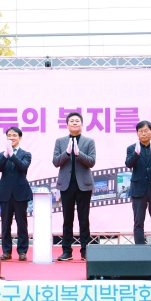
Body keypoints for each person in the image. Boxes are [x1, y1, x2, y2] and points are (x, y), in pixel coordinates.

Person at [52, 111, 96, 261]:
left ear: (82, 124)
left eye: (77, 121)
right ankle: (67, 251)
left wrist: (79, 154)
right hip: (66, 185)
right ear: (67, 125)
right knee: (67, 219)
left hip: (84, 185)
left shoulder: (89, 141)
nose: (75, 123)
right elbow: (55, 162)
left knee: (84, 219)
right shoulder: (60, 141)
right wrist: (67, 153)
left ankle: (85, 251)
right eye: (72, 121)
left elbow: (91, 162)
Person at [125, 120, 151, 252]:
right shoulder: (131, 148)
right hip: (139, 189)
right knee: (139, 221)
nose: (143, 134)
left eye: (146, 131)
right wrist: (136, 154)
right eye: (141, 131)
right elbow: (128, 164)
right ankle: (140, 251)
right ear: (137, 133)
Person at [0, 127, 33, 261]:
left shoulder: (26, 154)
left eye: (14, 135)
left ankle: (22, 251)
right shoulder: (1, 154)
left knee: (22, 224)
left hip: (20, 193)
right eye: (9, 135)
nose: (11, 138)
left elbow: (23, 166)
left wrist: (12, 155)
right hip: (5, 193)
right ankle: (6, 251)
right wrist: (5, 155)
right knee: (5, 224)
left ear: (20, 138)